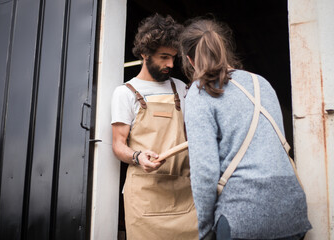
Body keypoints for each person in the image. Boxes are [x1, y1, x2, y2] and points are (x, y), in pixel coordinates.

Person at [179, 18, 312, 240]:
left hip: (242, 216)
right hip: (292, 211)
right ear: (224, 50)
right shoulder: (262, 83)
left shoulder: (200, 93)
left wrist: (205, 230)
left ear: (191, 61)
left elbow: (204, 172)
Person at [111, 14, 198, 240]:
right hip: (145, 198)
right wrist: (138, 156)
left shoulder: (181, 88)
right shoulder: (125, 93)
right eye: (164, 57)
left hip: (183, 194)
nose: (170, 64)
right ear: (144, 53)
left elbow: (193, 136)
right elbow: (118, 145)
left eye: (173, 57)